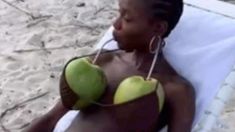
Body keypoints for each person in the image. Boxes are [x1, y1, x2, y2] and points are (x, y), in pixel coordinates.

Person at [24, 0, 195, 131]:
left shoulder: (175, 90)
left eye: (126, 18)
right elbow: (52, 119)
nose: (116, 24)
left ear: (158, 28)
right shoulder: (102, 63)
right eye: (118, 13)